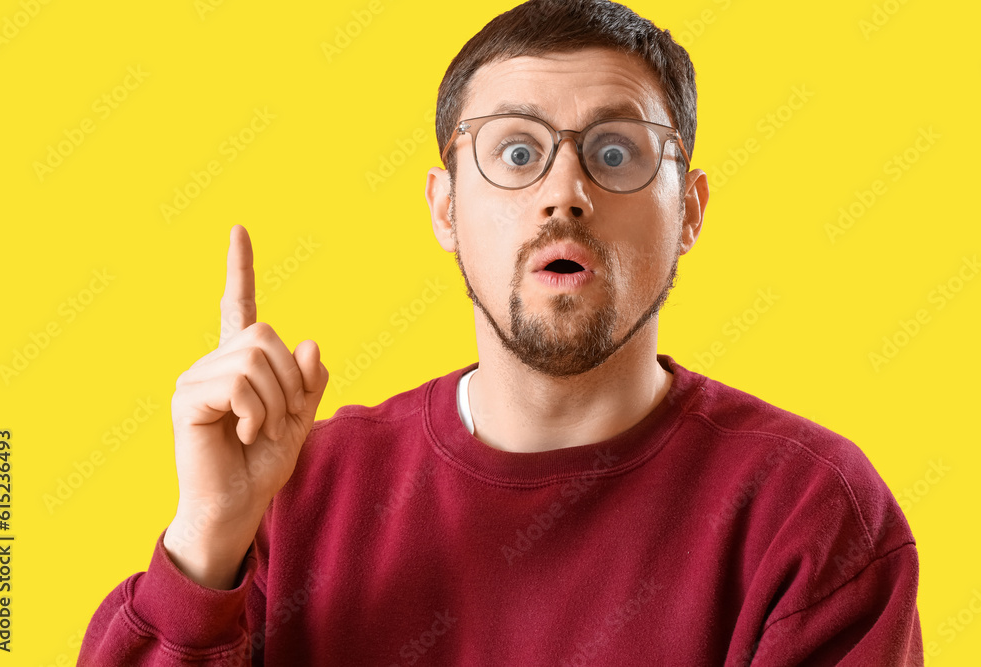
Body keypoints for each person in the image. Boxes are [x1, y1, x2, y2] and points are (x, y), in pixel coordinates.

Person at [79, 0, 923, 664]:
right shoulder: (292, 497)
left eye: (617, 153)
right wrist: (206, 539)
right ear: (446, 209)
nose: (565, 192)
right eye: (516, 153)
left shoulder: (810, 514)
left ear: (690, 211)